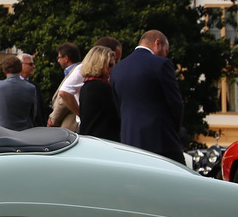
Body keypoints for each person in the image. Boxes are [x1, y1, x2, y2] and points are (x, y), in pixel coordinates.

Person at [111, 30, 185, 162]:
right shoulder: (161, 64)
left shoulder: (117, 69)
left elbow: (118, 107)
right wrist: (174, 130)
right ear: (157, 43)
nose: (164, 55)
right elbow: (175, 104)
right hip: (161, 141)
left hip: (129, 141)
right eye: (165, 51)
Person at [76, 45, 121, 141]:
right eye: (109, 65)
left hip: (90, 139)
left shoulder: (86, 86)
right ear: (99, 64)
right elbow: (115, 116)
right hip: (103, 140)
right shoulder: (101, 87)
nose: (113, 69)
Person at [0, 54, 41, 131]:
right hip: (22, 129)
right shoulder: (30, 88)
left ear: (4, 71)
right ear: (20, 69)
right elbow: (33, 113)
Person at [49, 43, 85, 130]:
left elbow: (64, 99)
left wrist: (53, 119)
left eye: (59, 57)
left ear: (66, 58)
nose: (58, 60)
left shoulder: (77, 72)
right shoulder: (74, 71)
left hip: (70, 122)